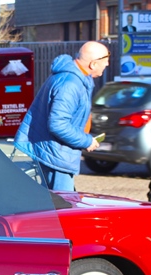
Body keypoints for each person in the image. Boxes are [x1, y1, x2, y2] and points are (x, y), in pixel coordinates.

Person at [14, 41, 110, 191]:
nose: (107, 64)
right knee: (62, 204)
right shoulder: (70, 84)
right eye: (105, 61)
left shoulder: (75, 78)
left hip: (53, 153)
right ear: (93, 64)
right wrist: (86, 141)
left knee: (56, 202)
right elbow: (58, 124)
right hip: (55, 157)